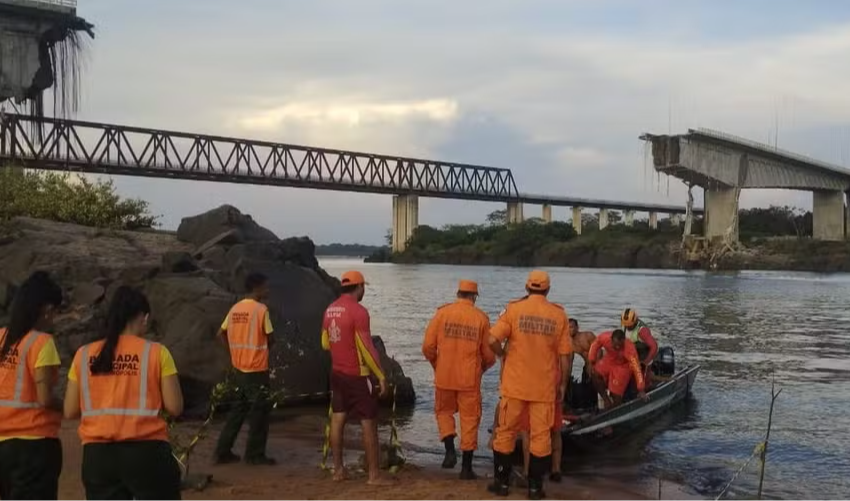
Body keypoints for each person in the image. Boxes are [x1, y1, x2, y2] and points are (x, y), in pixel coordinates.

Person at [64, 286, 184, 501]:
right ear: (143, 317)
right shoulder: (156, 352)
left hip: (97, 457)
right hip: (147, 453)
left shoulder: (83, 355)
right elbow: (175, 407)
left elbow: (70, 410)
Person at [488, 270, 572, 500]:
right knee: (540, 437)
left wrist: (502, 353)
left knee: (505, 433)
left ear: (527, 288)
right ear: (547, 289)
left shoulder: (513, 310)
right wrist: (563, 384)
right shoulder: (559, 315)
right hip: (544, 389)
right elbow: (565, 356)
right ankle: (535, 489)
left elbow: (492, 339)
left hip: (514, 386)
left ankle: (501, 485)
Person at [321, 271, 393, 486]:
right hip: (358, 375)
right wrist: (381, 376)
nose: (364, 291)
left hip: (337, 373)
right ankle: (374, 476)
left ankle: (338, 470)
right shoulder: (359, 311)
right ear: (359, 287)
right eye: (364, 287)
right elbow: (367, 348)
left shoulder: (330, 309)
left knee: (338, 419)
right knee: (369, 423)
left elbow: (325, 343)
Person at [422, 279, 495, 480]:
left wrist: (437, 365)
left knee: (443, 412)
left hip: (444, 376)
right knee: (470, 420)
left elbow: (428, 347)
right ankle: (466, 468)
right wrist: (482, 369)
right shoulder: (481, 318)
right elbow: (489, 355)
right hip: (469, 379)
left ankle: (449, 450)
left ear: (458, 294)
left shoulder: (442, 314)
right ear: (474, 296)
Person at [0, 271, 64, 501]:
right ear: (46, 309)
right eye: (55, 312)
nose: (54, 319)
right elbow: (45, 398)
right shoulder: (42, 342)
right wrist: (69, 407)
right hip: (34, 446)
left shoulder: (0, 338)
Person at [214, 272, 276, 465]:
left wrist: (232, 353)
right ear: (256, 287)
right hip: (256, 369)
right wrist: (264, 348)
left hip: (239, 367)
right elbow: (270, 337)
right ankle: (255, 454)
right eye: (265, 286)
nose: (268, 289)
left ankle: (223, 450)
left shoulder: (235, 309)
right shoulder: (261, 310)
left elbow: (220, 333)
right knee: (260, 412)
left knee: (238, 410)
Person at [588, 329, 646, 409]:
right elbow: (595, 344)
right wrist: (592, 360)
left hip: (623, 365)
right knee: (595, 372)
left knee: (615, 394)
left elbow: (637, 369)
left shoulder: (630, 349)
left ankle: (616, 406)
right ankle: (606, 400)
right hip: (610, 359)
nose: (617, 347)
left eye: (619, 345)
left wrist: (641, 389)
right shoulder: (604, 337)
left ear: (623, 341)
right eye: (615, 345)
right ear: (611, 340)